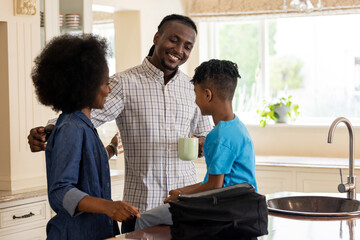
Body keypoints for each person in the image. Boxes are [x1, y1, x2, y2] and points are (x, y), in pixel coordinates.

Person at [27, 14, 213, 233]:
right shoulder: (124, 83)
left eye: (188, 46)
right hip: (140, 209)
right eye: (174, 40)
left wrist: (202, 145)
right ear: (157, 37)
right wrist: (48, 131)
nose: (179, 50)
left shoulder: (192, 88)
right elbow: (80, 113)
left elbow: (207, 135)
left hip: (184, 207)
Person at [31, 34, 140, 239]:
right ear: (86, 84)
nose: (108, 90)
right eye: (105, 83)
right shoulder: (71, 128)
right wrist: (109, 207)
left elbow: (87, 164)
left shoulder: (82, 125)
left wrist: (111, 149)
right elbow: (60, 191)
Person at [135, 59, 257, 230]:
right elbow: (216, 181)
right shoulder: (237, 127)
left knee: (144, 219)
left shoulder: (218, 135)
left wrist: (182, 195)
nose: (195, 100)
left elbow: (215, 186)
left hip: (223, 209)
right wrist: (182, 191)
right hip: (242, 206)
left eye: (196, 93)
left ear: (208, 95)